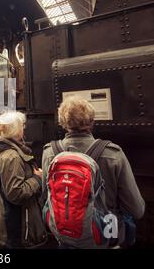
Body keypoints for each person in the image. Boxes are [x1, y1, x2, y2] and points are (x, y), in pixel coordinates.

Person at [41, 96, 145, 248]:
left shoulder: (49, 152)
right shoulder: (113, 154)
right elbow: (137, 210)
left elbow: (46, 196)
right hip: (105, 234)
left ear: (63, 123)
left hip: (65, 233)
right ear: (91, 121)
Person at [0, 111, 47, 248]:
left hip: (6, 220)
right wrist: (37, 178)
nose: (24, 128)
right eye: (22, 125)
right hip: (16, 225)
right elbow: (15, 193)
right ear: (15, 130)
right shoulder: (11, 157)